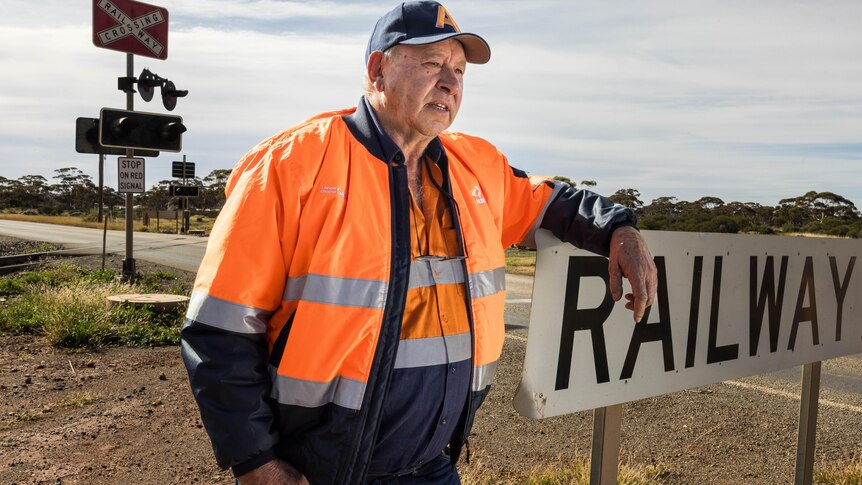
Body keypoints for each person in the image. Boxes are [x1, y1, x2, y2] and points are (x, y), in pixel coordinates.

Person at [181, 2, 658, 484]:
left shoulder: (475, 167)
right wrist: (256, 463)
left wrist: (621, 228)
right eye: (432, 64)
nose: (450, 83)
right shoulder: (291, 166)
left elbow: (551, 203)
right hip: (318, 470)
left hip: (432, 466)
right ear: (377, 70)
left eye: (458, 70)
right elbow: (219, 331)